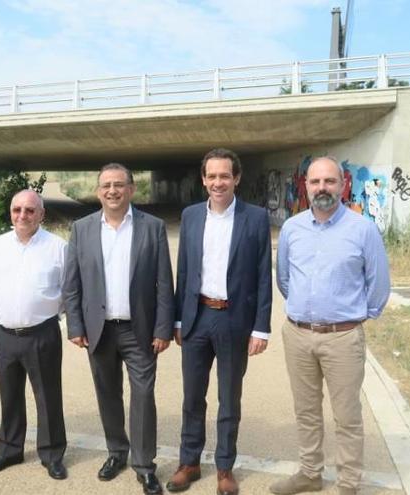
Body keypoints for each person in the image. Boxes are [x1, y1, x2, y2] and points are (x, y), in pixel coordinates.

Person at [271, 156, 390, 495]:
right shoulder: (292, 229)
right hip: (297, 335)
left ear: (342, 185)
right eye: (315, 182)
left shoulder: (363, 229)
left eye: (329, 181)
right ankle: (310, 473)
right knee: (306, 412)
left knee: (347, 417)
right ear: (305, 186)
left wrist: (349, 316)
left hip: (343, 338)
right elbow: (284, 279)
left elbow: (378, 284)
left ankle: (349, 483)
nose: (322, 188)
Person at [63, 163, 174, 495]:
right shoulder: (81, 229)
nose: (112, 190)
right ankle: (116, 453)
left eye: (119, 184)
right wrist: (75, 325)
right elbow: (72, 284)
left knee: (142, 396)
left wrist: (163, 328)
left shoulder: (152, 227)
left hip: (139, 330)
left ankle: (144, 465)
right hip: (98, 331)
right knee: (108, 395)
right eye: (106, 185)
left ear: (131, 189)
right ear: (98, 191)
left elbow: (163, 283)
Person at [167, 148, 272, 495]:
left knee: (230, 399)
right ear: (203, 180)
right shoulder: (192, 216)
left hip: (233, 320)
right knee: (192, 397)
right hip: (197, 318)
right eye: (211, 176)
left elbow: (261, 276)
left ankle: (225, 467)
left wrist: (261, 327)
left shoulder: (255, 218)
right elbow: (183, 271)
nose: (217, 182)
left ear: (236, 178)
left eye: (224, 176)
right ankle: (189, 462)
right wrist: (179, 320)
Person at [0, 190, 68, 480]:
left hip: (42, 333)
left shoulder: (57, 247)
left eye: (30, 210)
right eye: (17, 209)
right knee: (9, 396)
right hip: (5, 335)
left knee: (48, 397)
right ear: (10, 212)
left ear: (41, 214)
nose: (22, 215)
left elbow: (67, 291)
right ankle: (9, 451)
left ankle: (52, 454)